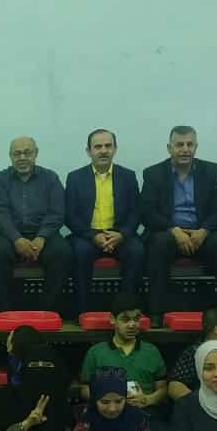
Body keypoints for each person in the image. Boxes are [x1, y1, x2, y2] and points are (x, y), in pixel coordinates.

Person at [138, 126, 217, 315]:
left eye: (190, 144)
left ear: (196, 147)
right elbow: (147, 213)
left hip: (200, 233)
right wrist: (174, 230)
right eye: (179, 145)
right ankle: (157, 313)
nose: (185, 149)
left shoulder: (210, 171)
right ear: (169, 148)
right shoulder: (153, 173)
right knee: (160, 243)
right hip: (168, 232)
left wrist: (204, 231)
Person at [0, 136, 71, 315]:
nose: (22, 157)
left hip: (43, 234)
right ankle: (4, 311)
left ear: (36, 153)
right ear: (10, 156)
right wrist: (16, 239)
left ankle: (47, 311)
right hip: (8, 235)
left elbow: (57, 212)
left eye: (27, 152)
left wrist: (42, 237)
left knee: (62, 252)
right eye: (17, 153)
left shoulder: (51, 178)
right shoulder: (0, 179)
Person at [65, 128, 144, 316]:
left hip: (119, 235)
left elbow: (136, 211)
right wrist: (93, 236)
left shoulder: (128, 176)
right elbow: (70, 215)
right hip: (87, 235)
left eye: (108, 146)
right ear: (89, 151)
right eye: (98, 147)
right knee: (80, 252)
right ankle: (83, 312)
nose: (103, 151)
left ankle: (127, 311)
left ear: (115, 149)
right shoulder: (75, 178)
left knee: (137, 251)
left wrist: (122, 234)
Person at [78, 292, 167, 412]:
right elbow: (84, 389)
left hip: (145, 413)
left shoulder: (152, 351)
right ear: (112, 319)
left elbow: (162, 389)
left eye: (136, 319)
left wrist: (147, 399)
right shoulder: (96, 352)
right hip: (108, 414)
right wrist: (107, 400)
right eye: (125, 319)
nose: (132, 325)